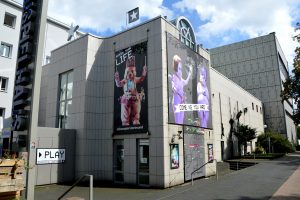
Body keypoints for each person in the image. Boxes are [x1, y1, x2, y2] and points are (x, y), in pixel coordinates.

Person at [114, 56, 147, 126]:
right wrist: (117, 78)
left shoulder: (135, 79)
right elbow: (118, 84)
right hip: (126, 99)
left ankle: (135, 120)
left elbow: (141, 79)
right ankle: (125, 122)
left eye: (132, 71)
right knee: (125, 114)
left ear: (134, 72)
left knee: (136, 113)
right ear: (126, 72)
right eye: (128, 72)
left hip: (135, 98)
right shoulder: (125, 80)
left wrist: (144, 73)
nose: (130, 74)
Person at [171, 55, 192, 124]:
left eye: (181, 69)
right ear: (175, 69)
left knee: (181, 120)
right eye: (179, 69)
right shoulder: (174, 77)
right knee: (178, 121)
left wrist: (189, 74)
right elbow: (173, 88)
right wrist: (177, 91)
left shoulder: (180, 79)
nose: (181, 71)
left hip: (182, 101)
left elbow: (185, 82)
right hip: (177, 100)